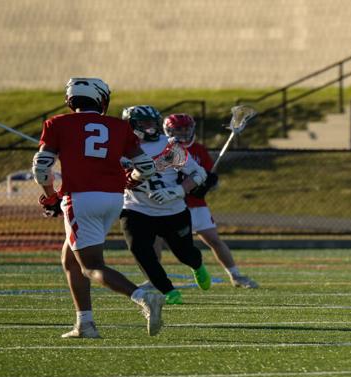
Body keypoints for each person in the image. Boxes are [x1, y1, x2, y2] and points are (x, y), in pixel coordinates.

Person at [34, 77, 169, 338]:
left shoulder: (56, 123)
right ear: (100, 98)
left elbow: (41, 169)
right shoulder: (119, 126)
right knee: (71, 260)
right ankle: (85, 324)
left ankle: (142, 297)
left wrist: (50, 196)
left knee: (91, 266)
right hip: (113, 200)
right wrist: (131, 179)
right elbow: (147, 168)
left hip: (81, 199)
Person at [115, 104, 209, 307]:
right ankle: (168, 290)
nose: (151, 127)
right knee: (140, 251)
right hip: (136, 208)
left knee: (185, 253)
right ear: (131, 125)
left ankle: (197, 265)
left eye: (153, 123)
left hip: (172, 209)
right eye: (145, 123)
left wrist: (177, 191)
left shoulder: (168, 146)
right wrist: (130, 177)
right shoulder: (118, 147)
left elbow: (199, 174)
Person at [164, 113, 258, 288]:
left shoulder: (199, 150)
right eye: (178, 129)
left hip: (196, 206)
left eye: (186, 129)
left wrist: (209, 183)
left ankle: (235, 275)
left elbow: (208, 178)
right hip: (170, 204)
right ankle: (152, 278)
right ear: (169, 130)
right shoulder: (164, 149)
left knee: (214, 240)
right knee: (155, 240)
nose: (183, 132)